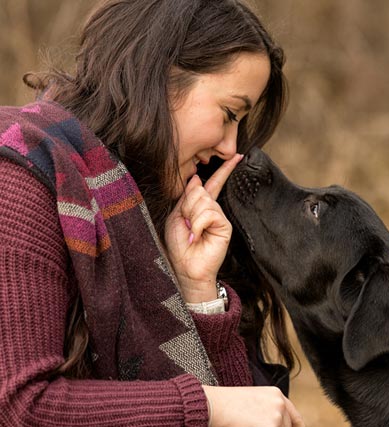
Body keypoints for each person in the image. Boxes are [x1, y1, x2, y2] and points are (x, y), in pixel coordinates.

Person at [0, 0, 305, 426]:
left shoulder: (150, 206)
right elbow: (19, 406)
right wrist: (205, 406)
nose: (231, 147)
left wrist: (199, 291)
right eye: (229, 114)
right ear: (158, 78)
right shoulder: (18, 177)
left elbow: (252, 417)